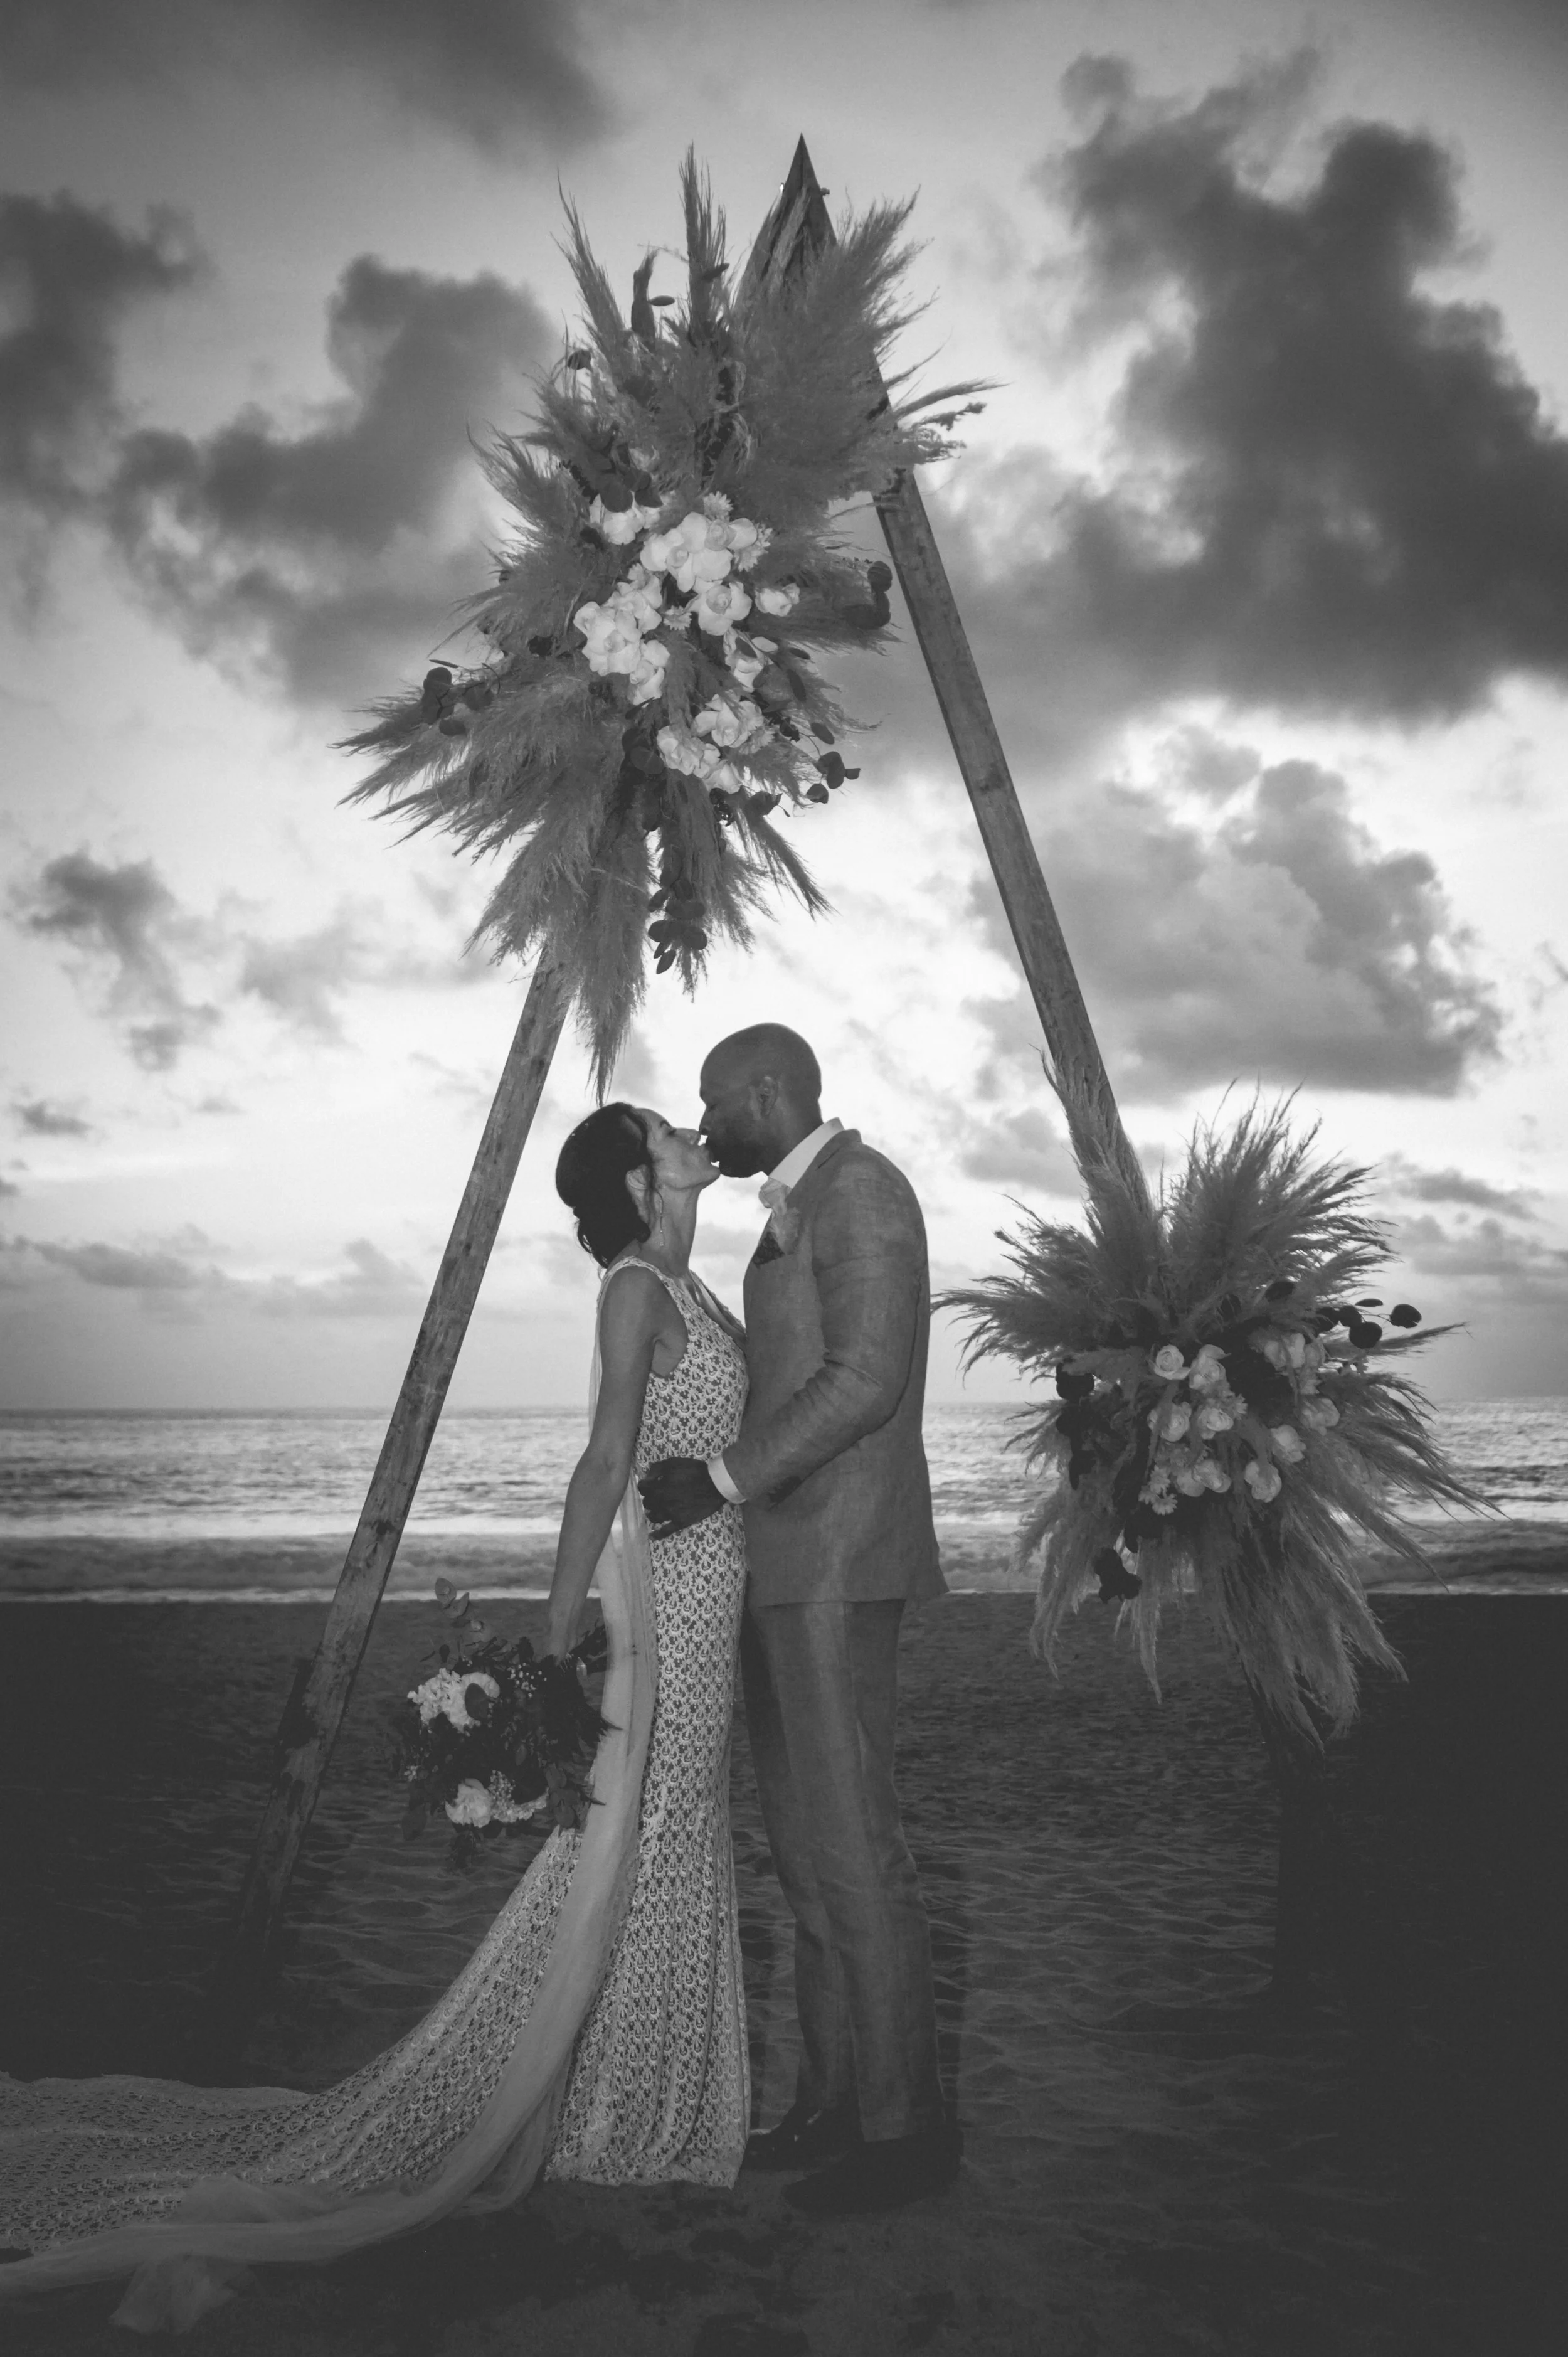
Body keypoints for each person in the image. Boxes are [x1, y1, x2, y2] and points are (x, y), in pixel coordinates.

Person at [0, 1103, 749, 2332]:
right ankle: (612, 2114)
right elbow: (604, 1459)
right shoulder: (632, 1289)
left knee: (672, 1827)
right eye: (666, 1127)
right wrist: (553, 1630)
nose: (687, 1132)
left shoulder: (688, 1281)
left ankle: (633, 2098)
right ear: (636, 1172)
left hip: (716, 1586)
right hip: (669, 1597)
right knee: (647, 1830)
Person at [639, 1024, 959, 2218]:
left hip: (834, 1564)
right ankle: (832, 2104)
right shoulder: (794, 1203)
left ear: (768, 1092)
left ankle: (905, 2132)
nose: (705, 1122)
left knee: (859, 1852)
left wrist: (721, 1479)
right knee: (810, 1857)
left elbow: (867, 1378)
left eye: (716, 1103)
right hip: (781, 1571)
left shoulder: (863, 1191)